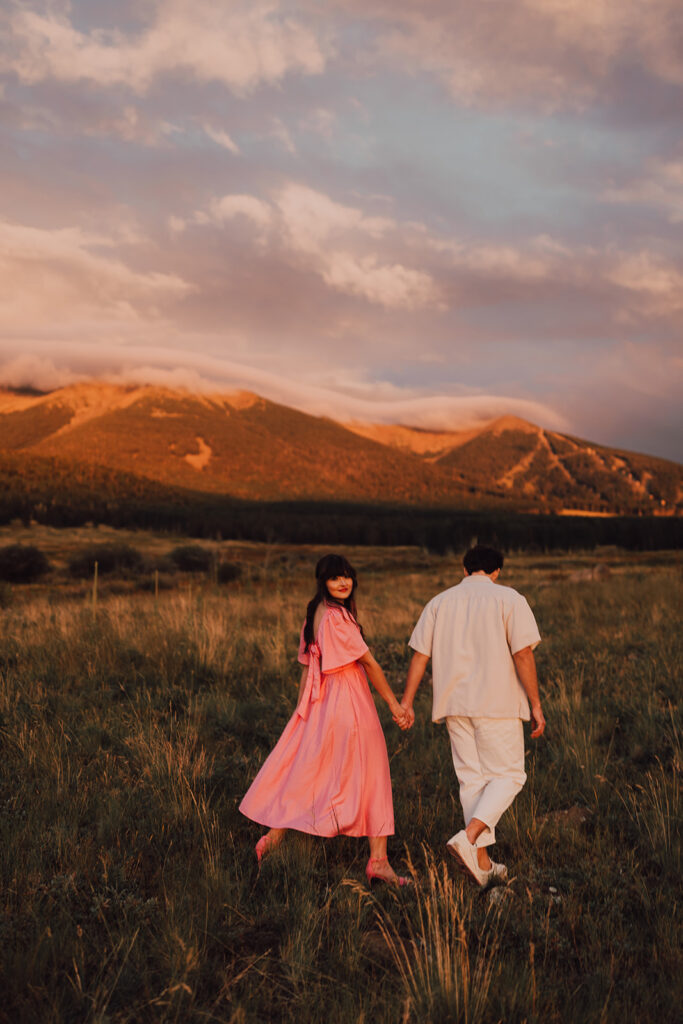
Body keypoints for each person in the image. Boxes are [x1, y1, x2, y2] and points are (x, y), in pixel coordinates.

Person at [240, 553, 411, 886]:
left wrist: (302, 711)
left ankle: (273, 839)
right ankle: (379, 861)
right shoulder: (337, 617)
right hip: (348, 700)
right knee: (373, 772)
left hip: (321, 701)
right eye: (335, 578)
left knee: (312, 771)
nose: (343, 582)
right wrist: (394, 704)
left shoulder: (313, 614)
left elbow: (307, 669)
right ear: (324, 582)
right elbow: (371, 664)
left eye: (347, 576)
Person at [400, 544, 545, 886]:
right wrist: (536, 703)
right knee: (510, 775)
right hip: (497, 702)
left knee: (472, 781)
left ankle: (481, 863)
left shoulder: (438, 602)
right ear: (497, 572)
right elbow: (523, 653)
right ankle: (469, 838)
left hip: (453, 705)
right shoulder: (510, 599)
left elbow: (420, 656)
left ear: (464, 570)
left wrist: (407, 702)